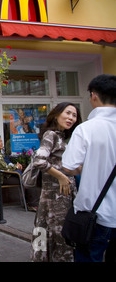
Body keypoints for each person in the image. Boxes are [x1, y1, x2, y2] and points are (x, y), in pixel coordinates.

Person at [62, 74, 116, 262]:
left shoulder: (86, 129)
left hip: (96, 216)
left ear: (94, 96)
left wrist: (86, 166)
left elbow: (68, 166)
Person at [30, 102, 82, 262]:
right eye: (68, 113)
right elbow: (39, 160)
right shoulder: (51, 134)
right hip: (55, 198)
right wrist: (61, 176)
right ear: (57, 114)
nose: (71, 118)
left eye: (74, 115)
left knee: (49, 233)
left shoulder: (62, 136)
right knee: (58, 235)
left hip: (61, 196)